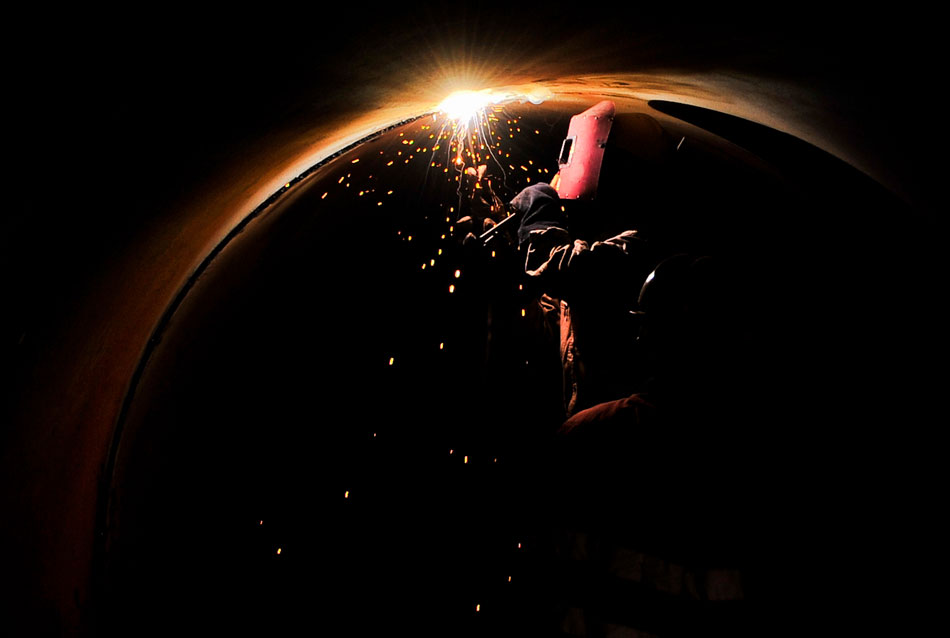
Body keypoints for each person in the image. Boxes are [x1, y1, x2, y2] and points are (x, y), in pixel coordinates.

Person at [511, 182, 657, 417]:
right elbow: (540, 330)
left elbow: (574, 267)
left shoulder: (637, 243)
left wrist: (538, 219)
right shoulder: (571, 289)